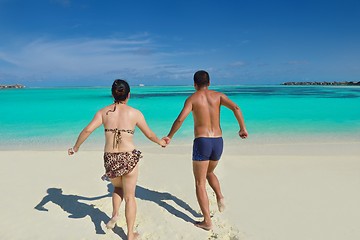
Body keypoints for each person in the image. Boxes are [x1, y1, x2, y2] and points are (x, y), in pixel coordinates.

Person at [68, 79, 166, 240]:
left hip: (110, 158)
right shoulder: (135, 113)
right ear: (129, 95)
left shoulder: (103, 112)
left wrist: (75, 147)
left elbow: (87, 130)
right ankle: (129, 234)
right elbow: (149, 134)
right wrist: (161, 142)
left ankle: (114, 214)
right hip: (128, 158)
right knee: (130, 197)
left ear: (112, 94)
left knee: (118, 189)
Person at [164, 70, 248, 231]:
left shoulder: (192, 99)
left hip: (202, 142)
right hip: (218, 141)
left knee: (199, 182)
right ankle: (220, 197)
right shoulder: (219, 96)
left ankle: (207, 221)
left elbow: (181, 119)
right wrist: (242, 128)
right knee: (209, 172)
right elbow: (236, 108)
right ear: (209, 83)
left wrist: (170, 136)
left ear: (194, 84)